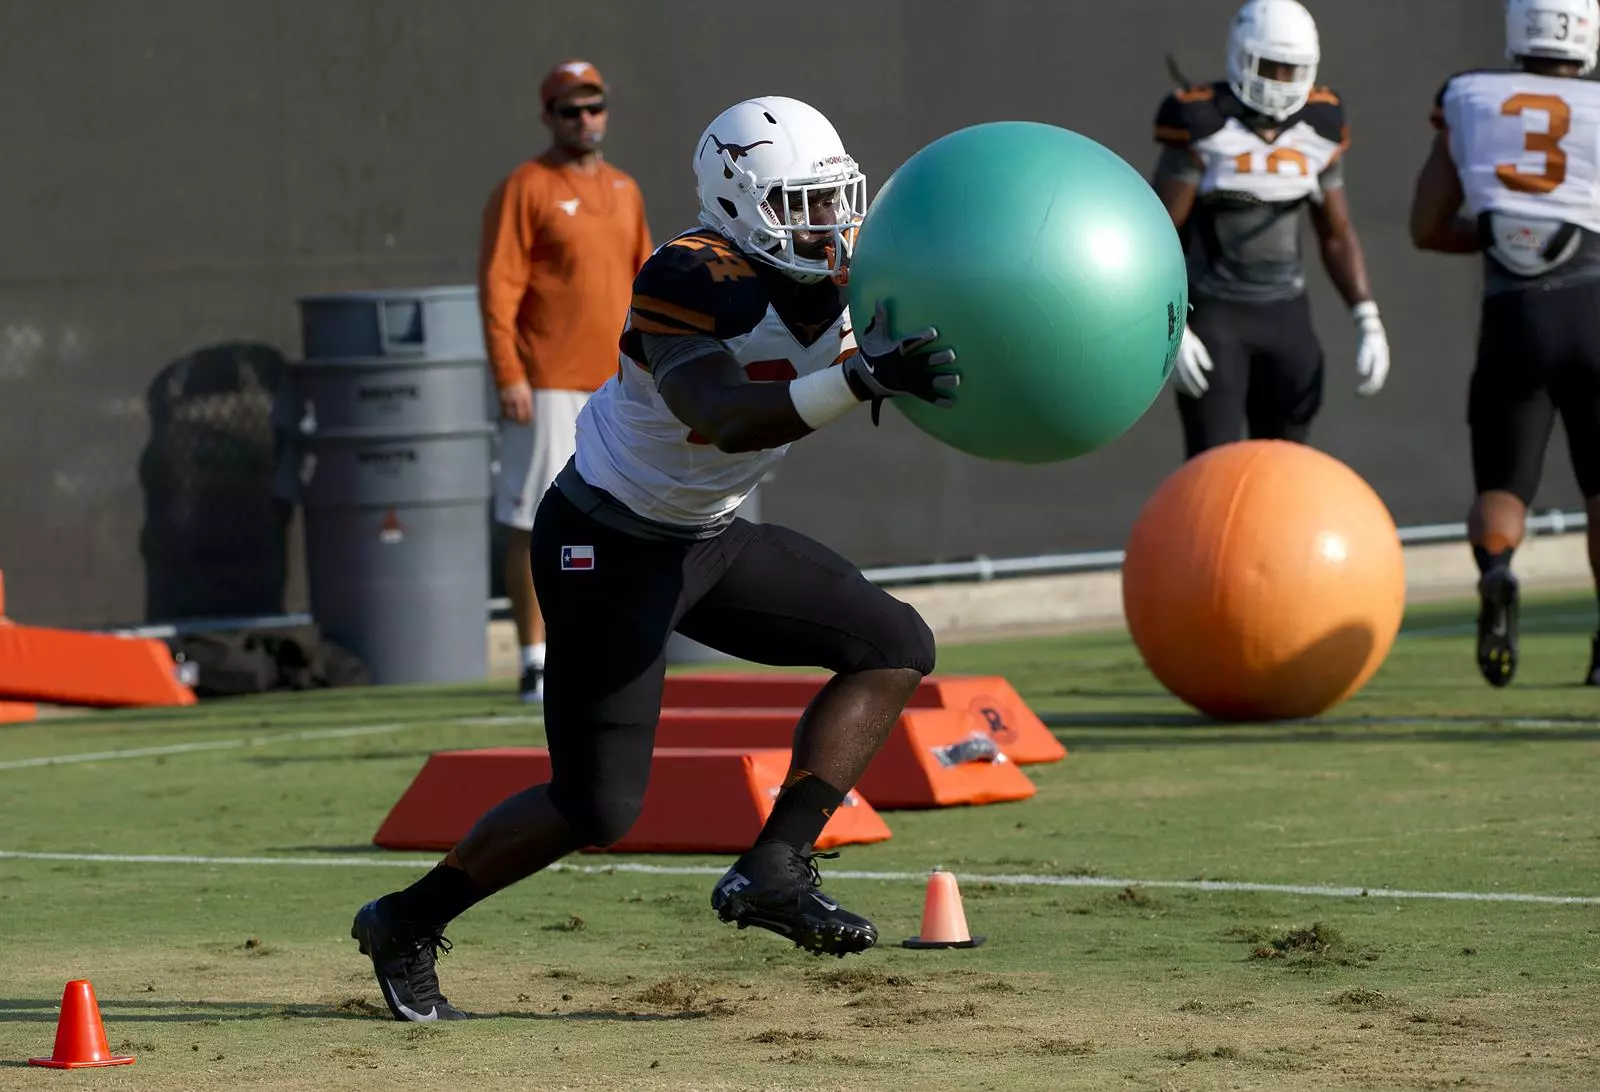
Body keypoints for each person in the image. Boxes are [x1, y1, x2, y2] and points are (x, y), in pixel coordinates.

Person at [352, 95, 961, 1021]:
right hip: (607, 540)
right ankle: (404, 919)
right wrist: (859, 376)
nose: (830, 225)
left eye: (836, 199)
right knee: (597, 808)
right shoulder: (689, 274)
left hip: (707, 537)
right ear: (734, 203)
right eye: (800, 205)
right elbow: (721, 416)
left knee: (894, 644)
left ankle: (774, 868)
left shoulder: (857, 269)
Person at [1409, 0, 1600, 687]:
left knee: (1501, 484)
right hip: (1594, 305)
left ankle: (1496, 569)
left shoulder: (1470, 97)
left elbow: (1426, 225)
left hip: (1511, 313)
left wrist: (1499, 240)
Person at [478, 59, 653, 703]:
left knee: (624, 518)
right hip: (545, 383)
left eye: (594, 106)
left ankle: (604, 648)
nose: (585, 120)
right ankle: (532, 659)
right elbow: (498, 290)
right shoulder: (525, 187)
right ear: (548, 117)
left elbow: (650, 289)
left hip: (619, 385)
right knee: (532, 521)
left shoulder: (627, 191)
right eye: (569, 109)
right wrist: (509, 374)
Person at [1151, 0, 1391, 459]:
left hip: (1287, 315)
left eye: (1291, 69)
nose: (1281, 82)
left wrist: (1367, 317)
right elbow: (1157, 236)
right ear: (1241, 56)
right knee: (1211, 467)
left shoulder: (1320, 123)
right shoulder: (1201, 121)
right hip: (1216, 316)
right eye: (1270, 67)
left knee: (1285, 468)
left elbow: (1336, 232)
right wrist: (1173, 325)